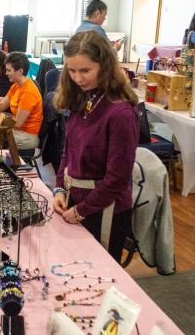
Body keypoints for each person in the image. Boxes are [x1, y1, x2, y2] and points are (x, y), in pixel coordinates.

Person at [52, 30, 139, 263]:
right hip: (76, 201)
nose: (77, 78)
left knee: (98, 276)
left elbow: (117, 179)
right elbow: (68, 153)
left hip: (104, 210)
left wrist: (82, 210)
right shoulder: (83, 98)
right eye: (71, 71)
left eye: (85, 71)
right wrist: (60, 188)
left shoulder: (121, 113)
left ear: (105, 66)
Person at [0, 52, 43, 149]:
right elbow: (2, 105)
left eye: (9, 70)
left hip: (27, 136)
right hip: (18, 130)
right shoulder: (16, 85)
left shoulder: (28, 92)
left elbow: (18, 123)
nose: (6, 73)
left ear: (20, 71)